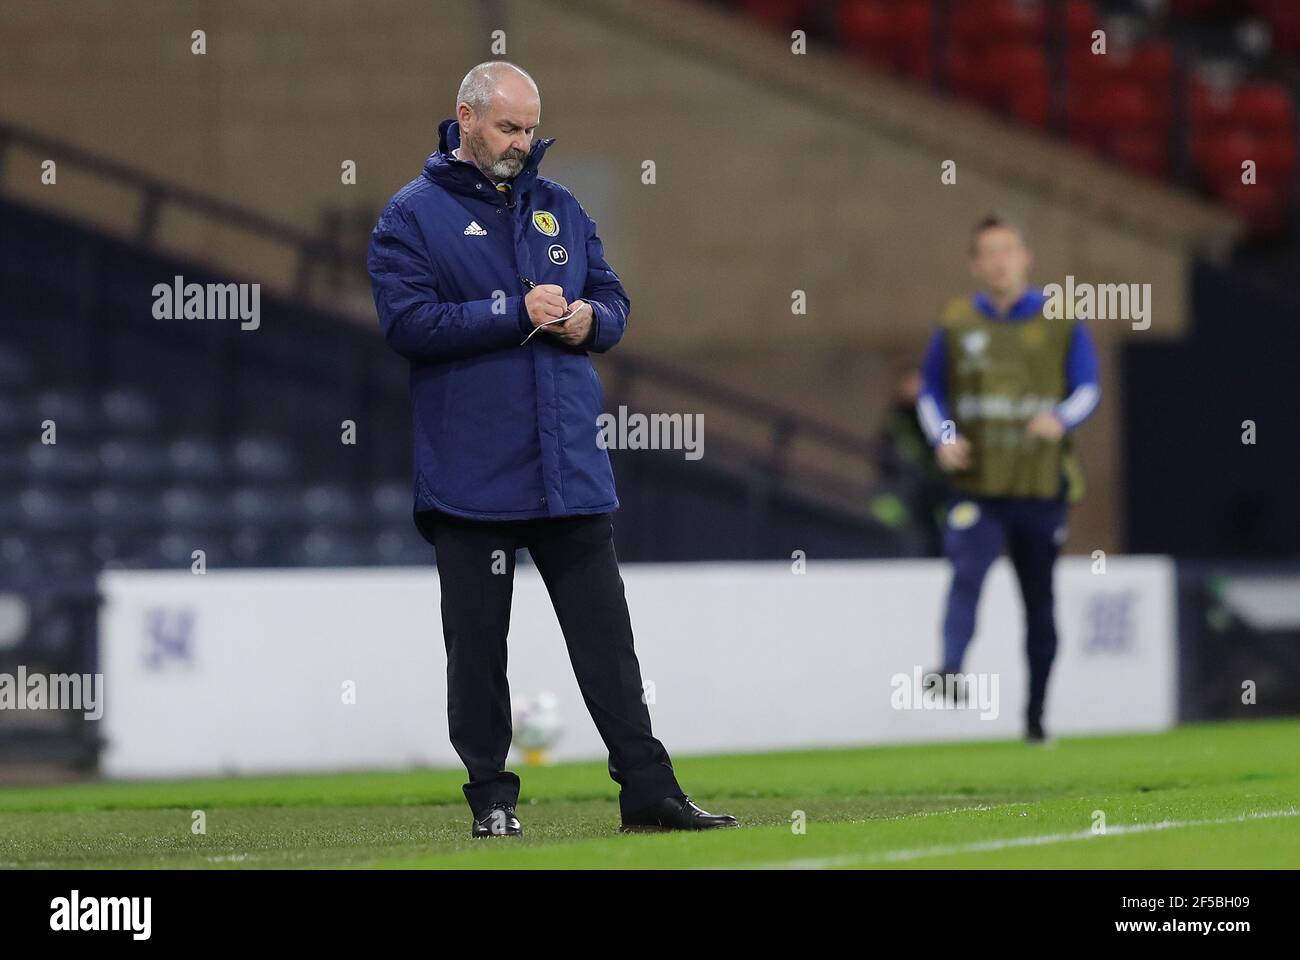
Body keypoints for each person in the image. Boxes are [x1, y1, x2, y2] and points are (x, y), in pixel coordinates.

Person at [367, 61, 737, 837]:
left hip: (567, 465)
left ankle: (649, 792)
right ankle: (494, 804)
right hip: (471, 473)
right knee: (477, 654)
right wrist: (512, 310)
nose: (522, 142)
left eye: (531, 128)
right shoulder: (411, 216)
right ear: (464, 117)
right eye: (508, 127)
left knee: (609, 645)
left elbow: (614, 302)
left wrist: (588, 324)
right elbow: (408, 326)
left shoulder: (559, 206)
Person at [916, 214, 1100, 742]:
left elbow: (1088, 387)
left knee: (1038, 602)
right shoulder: (956, 324)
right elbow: (932, 392)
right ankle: (950, 669)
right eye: (988, 253)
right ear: (975, 265)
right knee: (967, 568)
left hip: (1039, 488)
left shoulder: (1061, 320)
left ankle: (1036, 717)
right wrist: (945, 436)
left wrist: (1061, 418)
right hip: (978, 484)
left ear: (1025, 257)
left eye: (1008, 250)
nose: (999, 261)